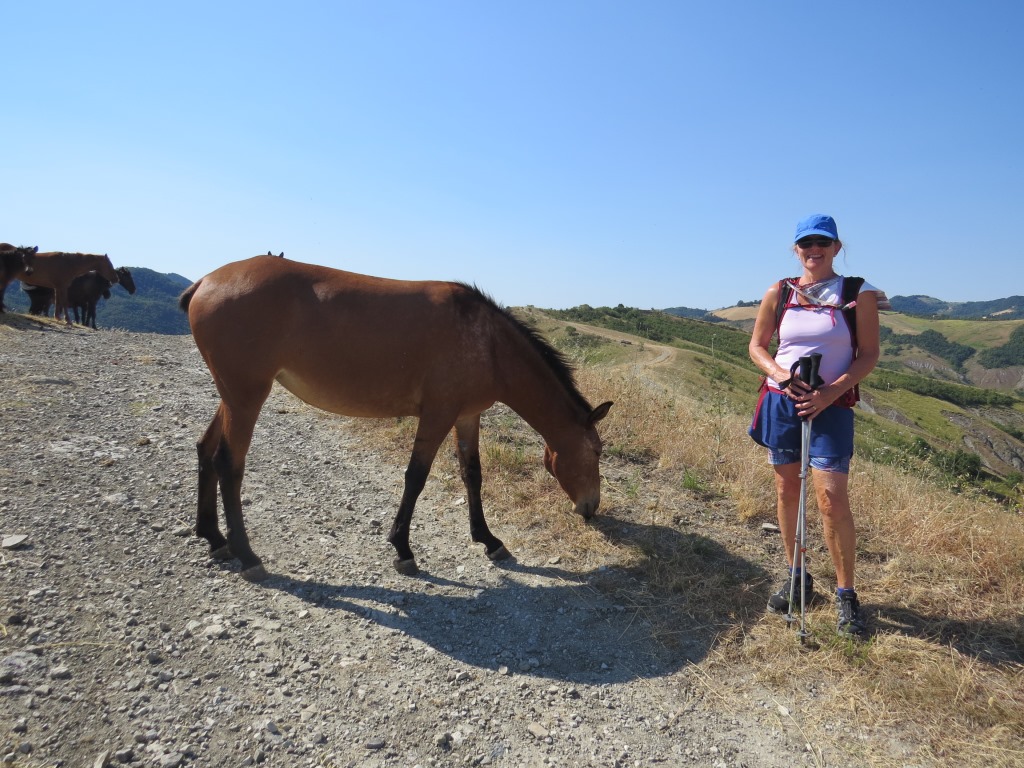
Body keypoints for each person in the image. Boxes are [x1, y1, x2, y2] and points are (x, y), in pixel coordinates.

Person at [747, 213, 889, 639]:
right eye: (806, 243)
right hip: (782, 401)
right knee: (787, 490)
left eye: (822, 243)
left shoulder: (858, 293)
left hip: (832, 404)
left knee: (831, 498)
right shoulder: (779, 292)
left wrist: (830, 392)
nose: (814, 250)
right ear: (796, 249)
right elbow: (757, 346)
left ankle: (846, 594)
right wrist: (781, 374)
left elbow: (868, 354)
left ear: (836, 248)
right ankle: (797, 577)